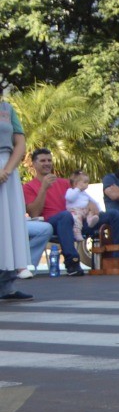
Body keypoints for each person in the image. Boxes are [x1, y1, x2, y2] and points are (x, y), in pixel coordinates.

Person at [0, 97, 32, 302]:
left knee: (9, 226)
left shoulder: (7, 109)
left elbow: (19, 143)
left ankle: (7, 286)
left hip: (7, 168)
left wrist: (7, 170)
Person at [62, 170, 103, 267]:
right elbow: (70, 198)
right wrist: (77, 189)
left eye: (87, 182)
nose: (87, 185)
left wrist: (99, 210)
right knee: (77, 220)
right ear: (76, 183)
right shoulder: (71, 191)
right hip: (75, 210)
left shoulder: (85, 193)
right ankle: (77, 233)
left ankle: (91, 221)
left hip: (84, 210)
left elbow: (93, 201)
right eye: (84, 182)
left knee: (90, 213)